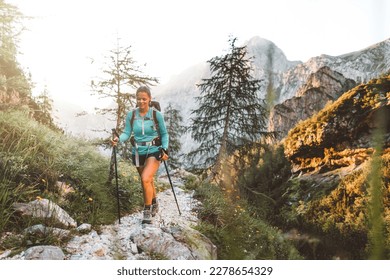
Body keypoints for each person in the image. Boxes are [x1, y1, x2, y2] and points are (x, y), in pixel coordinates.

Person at [112, 85, 169, 224]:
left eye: (144, 99)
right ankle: (155, 203)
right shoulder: (131, 115)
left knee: (145, 178)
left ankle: (147, 210)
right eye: (138, 99)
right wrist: (118, 139)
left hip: (154, 150)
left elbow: (164, 134)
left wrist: (165, 149)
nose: (141, 101)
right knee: (147, 181)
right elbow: (127, 133)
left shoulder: (156, 115)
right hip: (137, 151)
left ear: (149, 99)